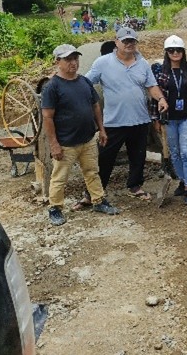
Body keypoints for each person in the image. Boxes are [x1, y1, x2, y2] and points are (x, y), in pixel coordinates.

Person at [86, 27, 169, 201]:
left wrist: (161, 98)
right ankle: (95, 192)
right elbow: (86, 83)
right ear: (116, 42)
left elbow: (151, 86)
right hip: (114, 121)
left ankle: (135, 186)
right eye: (125, 41)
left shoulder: (142, 63)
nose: (129, 44)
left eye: (132, 41)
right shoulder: (103, 62)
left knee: (138, 156)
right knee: (105, 158)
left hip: (140, 120)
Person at [41, 44, 119, 226]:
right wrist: (54, 144)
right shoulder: (52, 87)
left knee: (92, 172)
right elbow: (47, 117)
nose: (73, 63)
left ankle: (98, 200)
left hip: (88, 139)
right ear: (57, 62)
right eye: (68, 59)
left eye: (75, 58)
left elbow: (95, 106)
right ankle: (55, 208)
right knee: (59, 177)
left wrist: (101, 129)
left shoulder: (84, 81)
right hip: (66, 143)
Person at [152, 35, 187, 206]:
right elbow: (155, 98)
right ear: (166, 52)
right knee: (174, 152)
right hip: (169, 120)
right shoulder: (161, 73)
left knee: (186, 152)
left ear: (183, 52)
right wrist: (156, 118)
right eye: (171, 50)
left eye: (178, 50)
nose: (175, 53)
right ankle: (182, 180)